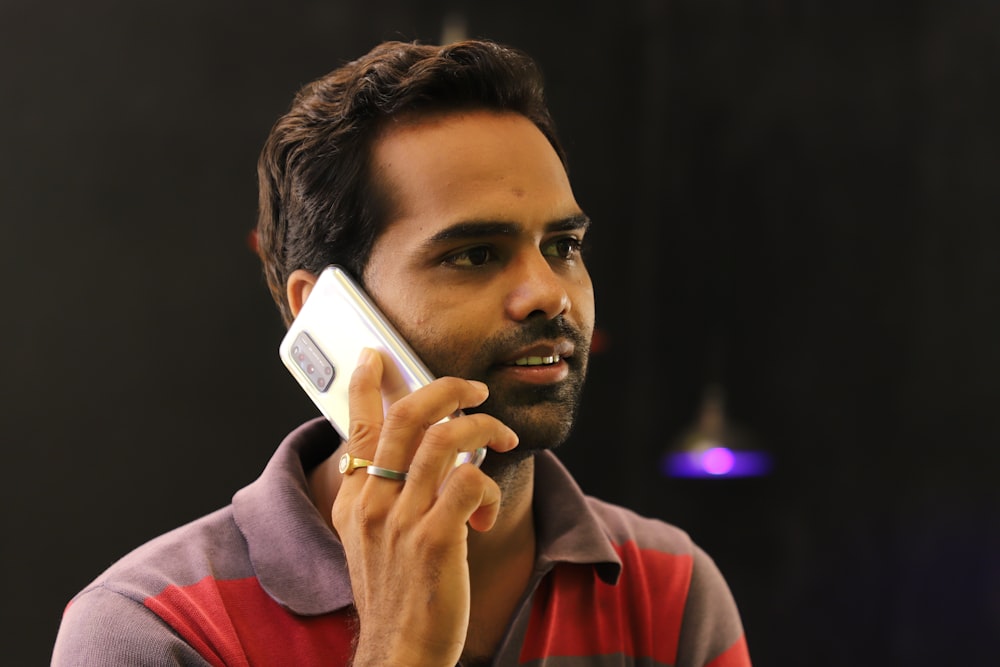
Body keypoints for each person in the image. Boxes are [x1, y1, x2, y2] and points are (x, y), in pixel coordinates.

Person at [52, 39, 752, 666]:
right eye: (476, 254)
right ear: (319, 312)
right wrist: (401, 652)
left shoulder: (671, 589)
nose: (548, 293)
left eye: (563, 247)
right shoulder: (147, 630)